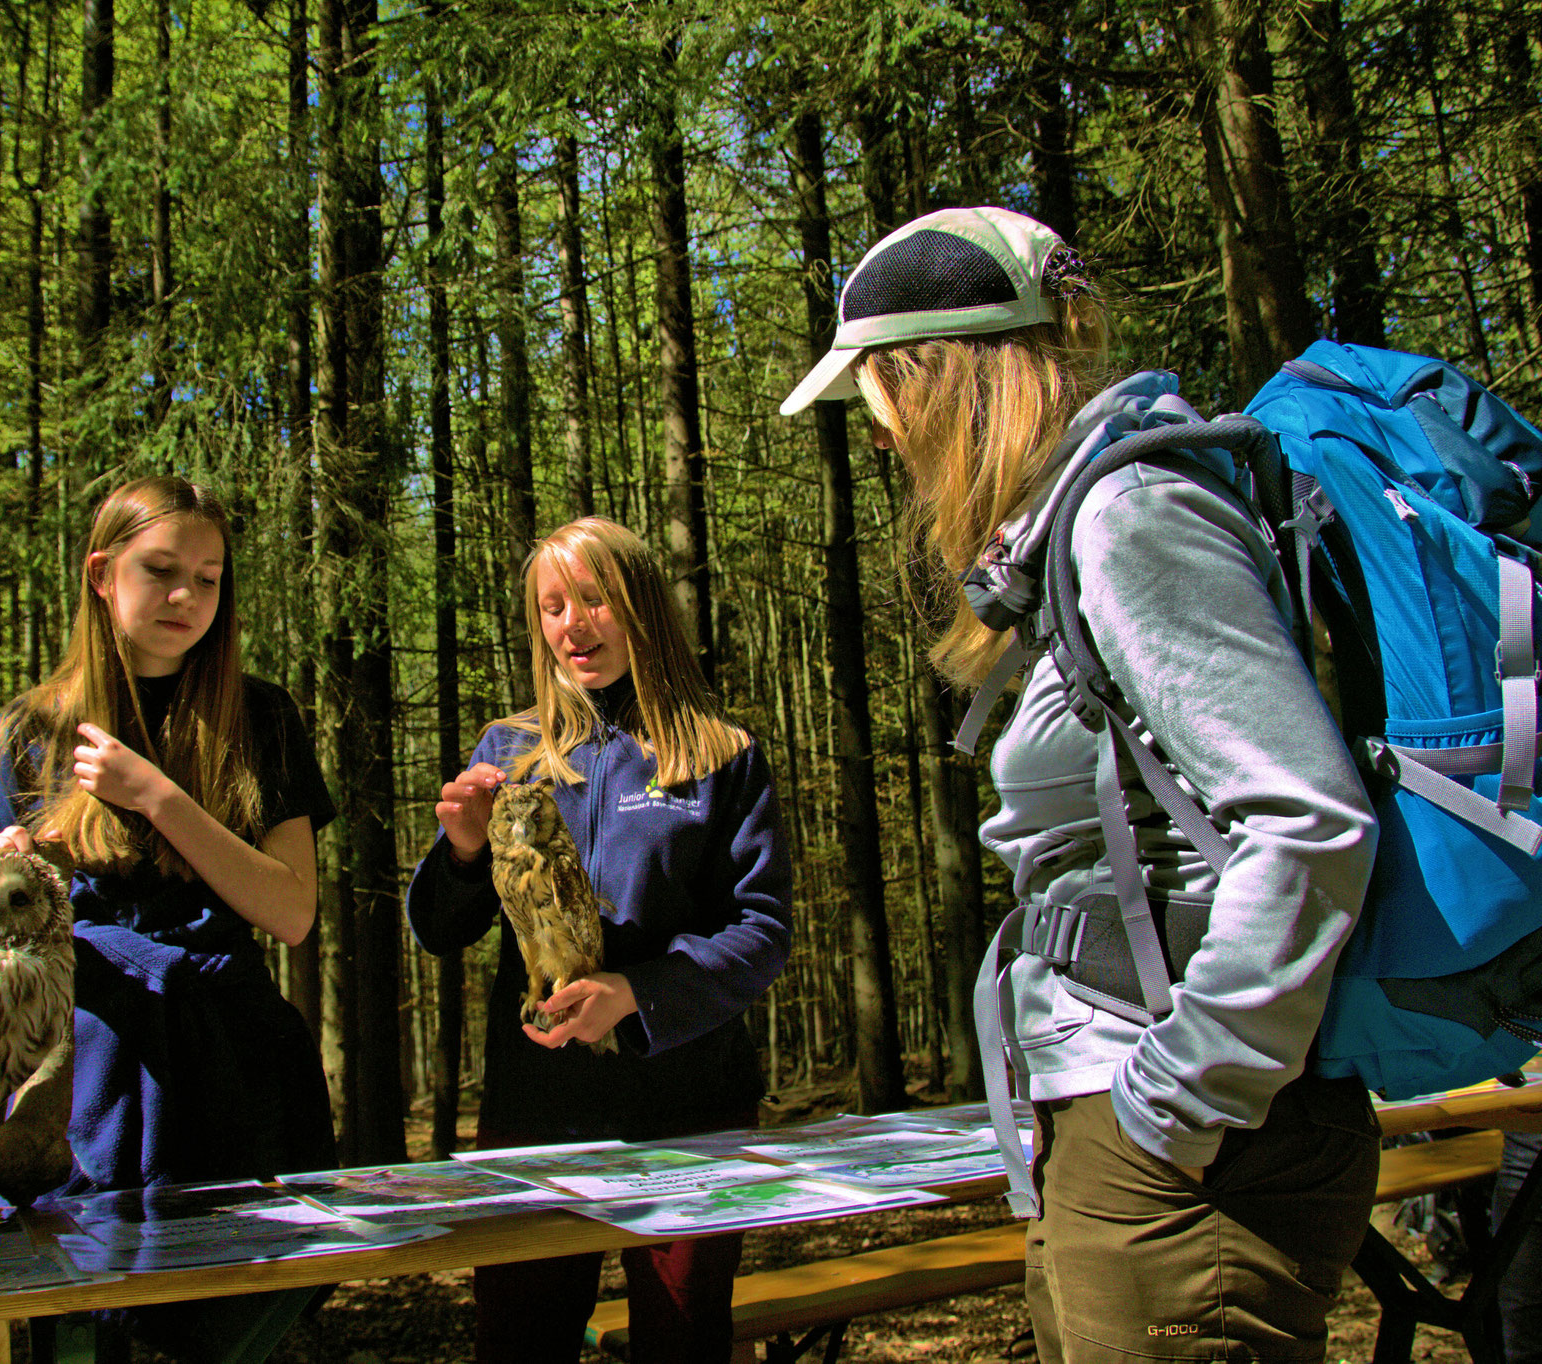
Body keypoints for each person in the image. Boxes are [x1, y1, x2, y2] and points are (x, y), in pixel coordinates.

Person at [781, 205, 1381, 1361]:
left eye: (878, 407)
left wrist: (1179, 1104)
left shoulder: (1128, 517)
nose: (884, 443)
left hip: (1180, 1139)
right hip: (1128, 1117)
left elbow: (1306, 822)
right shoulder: (1081, 523)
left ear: (934, 380)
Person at [0, 474, 336, 1360]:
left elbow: (290, 910)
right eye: (160, 570)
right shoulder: (32, 730)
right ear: (101, 574)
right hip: (81, 1078)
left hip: (231, 1072)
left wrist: (159, 797)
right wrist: (2, 874)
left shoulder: (263, 717)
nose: (185, 598)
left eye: (208, 578)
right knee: (87, 1329)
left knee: (239, 1324)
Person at [406, 516, 793, 1364]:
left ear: (641, 606)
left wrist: (639, 993)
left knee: (682, 1339)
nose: (572, 625)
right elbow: (438, 930)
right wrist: (464, 850)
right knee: (520, 1340)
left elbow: (761, 931)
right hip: (538, 1111)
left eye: (594, 599)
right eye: (552, 607)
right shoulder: (512, 752)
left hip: (689, 1103)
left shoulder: (720, 753)